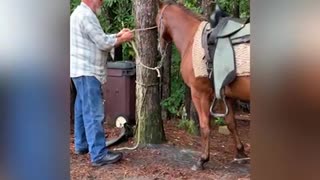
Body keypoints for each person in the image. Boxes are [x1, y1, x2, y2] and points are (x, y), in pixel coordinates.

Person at [70, 0, 134, 167]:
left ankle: (82, 144)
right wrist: (122, 39)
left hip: (80, 71)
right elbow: (103, 43)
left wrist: (118, 35)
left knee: (82, 109)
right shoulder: (85, 16)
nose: (102, 2)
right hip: (87, 72)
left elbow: (99, 38)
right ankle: (98, 154)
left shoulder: (80, 13)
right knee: (93, 113)